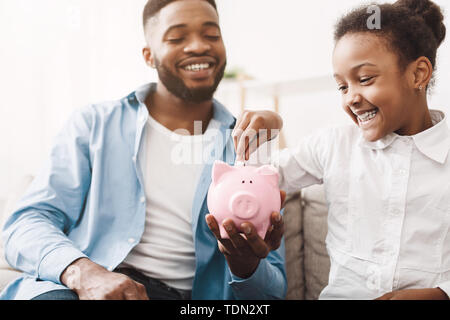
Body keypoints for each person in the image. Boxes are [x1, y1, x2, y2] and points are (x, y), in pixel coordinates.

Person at [0, 0, 287, 300]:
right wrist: (83, 273)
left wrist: (245, 266)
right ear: (149, 56)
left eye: (211, 35)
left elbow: (273, 291)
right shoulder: (94, 125)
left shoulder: (247, 150)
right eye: (177, 38)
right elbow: (26, 223)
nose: (198, 46)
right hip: (78, 290)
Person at [234, 0, 450, 300]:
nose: (351, 98)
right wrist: (268, 128)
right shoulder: (333, 145)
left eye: (364, 80)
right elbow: (258, 182)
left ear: (418, 74)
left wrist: (439, 294)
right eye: (342, 87)